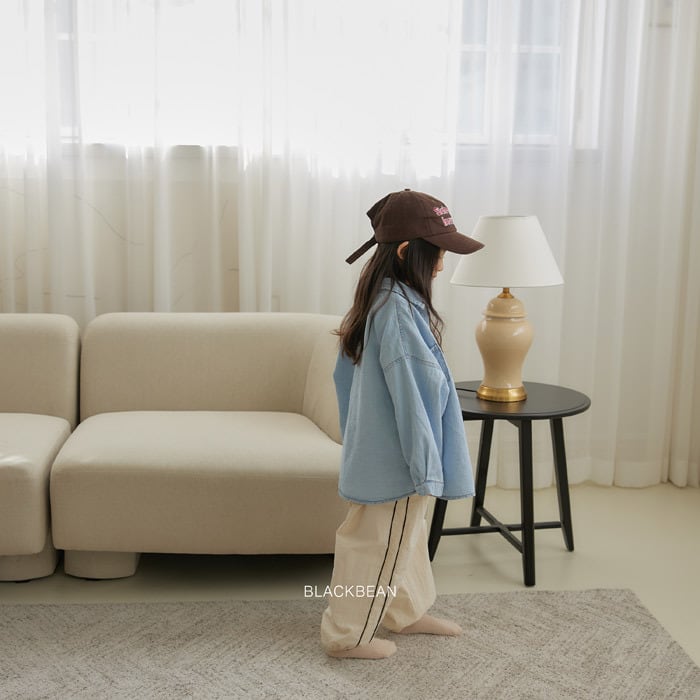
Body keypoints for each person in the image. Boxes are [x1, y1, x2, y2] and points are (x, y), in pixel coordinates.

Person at [320, 189, 484, 660]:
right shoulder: (394, 311)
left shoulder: (391, 300)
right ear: (408, 251)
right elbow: (412, 398)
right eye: (439, 253)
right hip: (399, 458)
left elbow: (348, 382)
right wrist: (423, 465)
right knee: (375, 543)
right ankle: (346, 635)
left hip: (392, 451)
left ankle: (404, 611)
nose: (442, 264)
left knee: (403, 537)